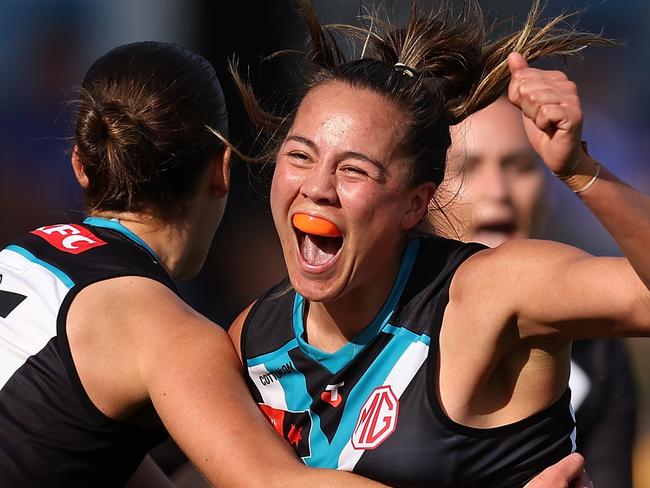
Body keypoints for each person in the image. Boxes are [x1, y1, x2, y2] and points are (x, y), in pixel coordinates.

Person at [228, 0, 650, 486]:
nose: (318, 188)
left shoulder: (490, 295)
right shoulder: (254, 340)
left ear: (416, 204)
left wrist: (580, 171)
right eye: (300, 156)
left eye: (354, 169)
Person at [0, 40, 392, 488]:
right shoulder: (163, 329)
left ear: (80, 165)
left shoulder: (21, 257)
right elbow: (272, 484)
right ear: (222, 168)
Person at [444, 95, 637, 487]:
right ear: (420, 194)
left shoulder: (596, 348)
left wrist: (583, 171)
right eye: (469, 168)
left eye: (518, 166)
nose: (499, 191)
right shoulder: (367, 324)